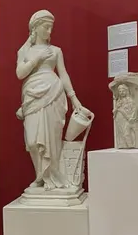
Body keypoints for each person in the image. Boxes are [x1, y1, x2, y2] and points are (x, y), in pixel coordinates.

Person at [16, 10, 92, 191]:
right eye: (46, 27)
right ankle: (40, 175)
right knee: (33, 141)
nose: (49, 31)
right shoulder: (25, 51)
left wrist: (74, 99)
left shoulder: (56, 51)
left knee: (52, 140)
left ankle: (46, 177)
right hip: (32, 96)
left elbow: (63, 75)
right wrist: (37, 59)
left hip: (53, 94)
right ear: (36, 27)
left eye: (51, 28)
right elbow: (20, 73)